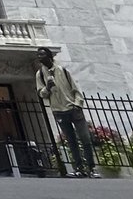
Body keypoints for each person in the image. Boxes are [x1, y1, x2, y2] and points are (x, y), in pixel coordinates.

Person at [36, 47, 98, 178]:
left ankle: (91, 168)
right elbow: (41, 94)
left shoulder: (63, 71)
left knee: (85, 138)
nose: (39, 57)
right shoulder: (40, 74)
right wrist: (47, 87)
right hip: (58, 111)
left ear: (49, 56)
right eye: (38, 55)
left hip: (73, 108)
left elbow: (76, 89)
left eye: (42, 54)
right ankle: (79, 168)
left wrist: (78, 105)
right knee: (71, 140)